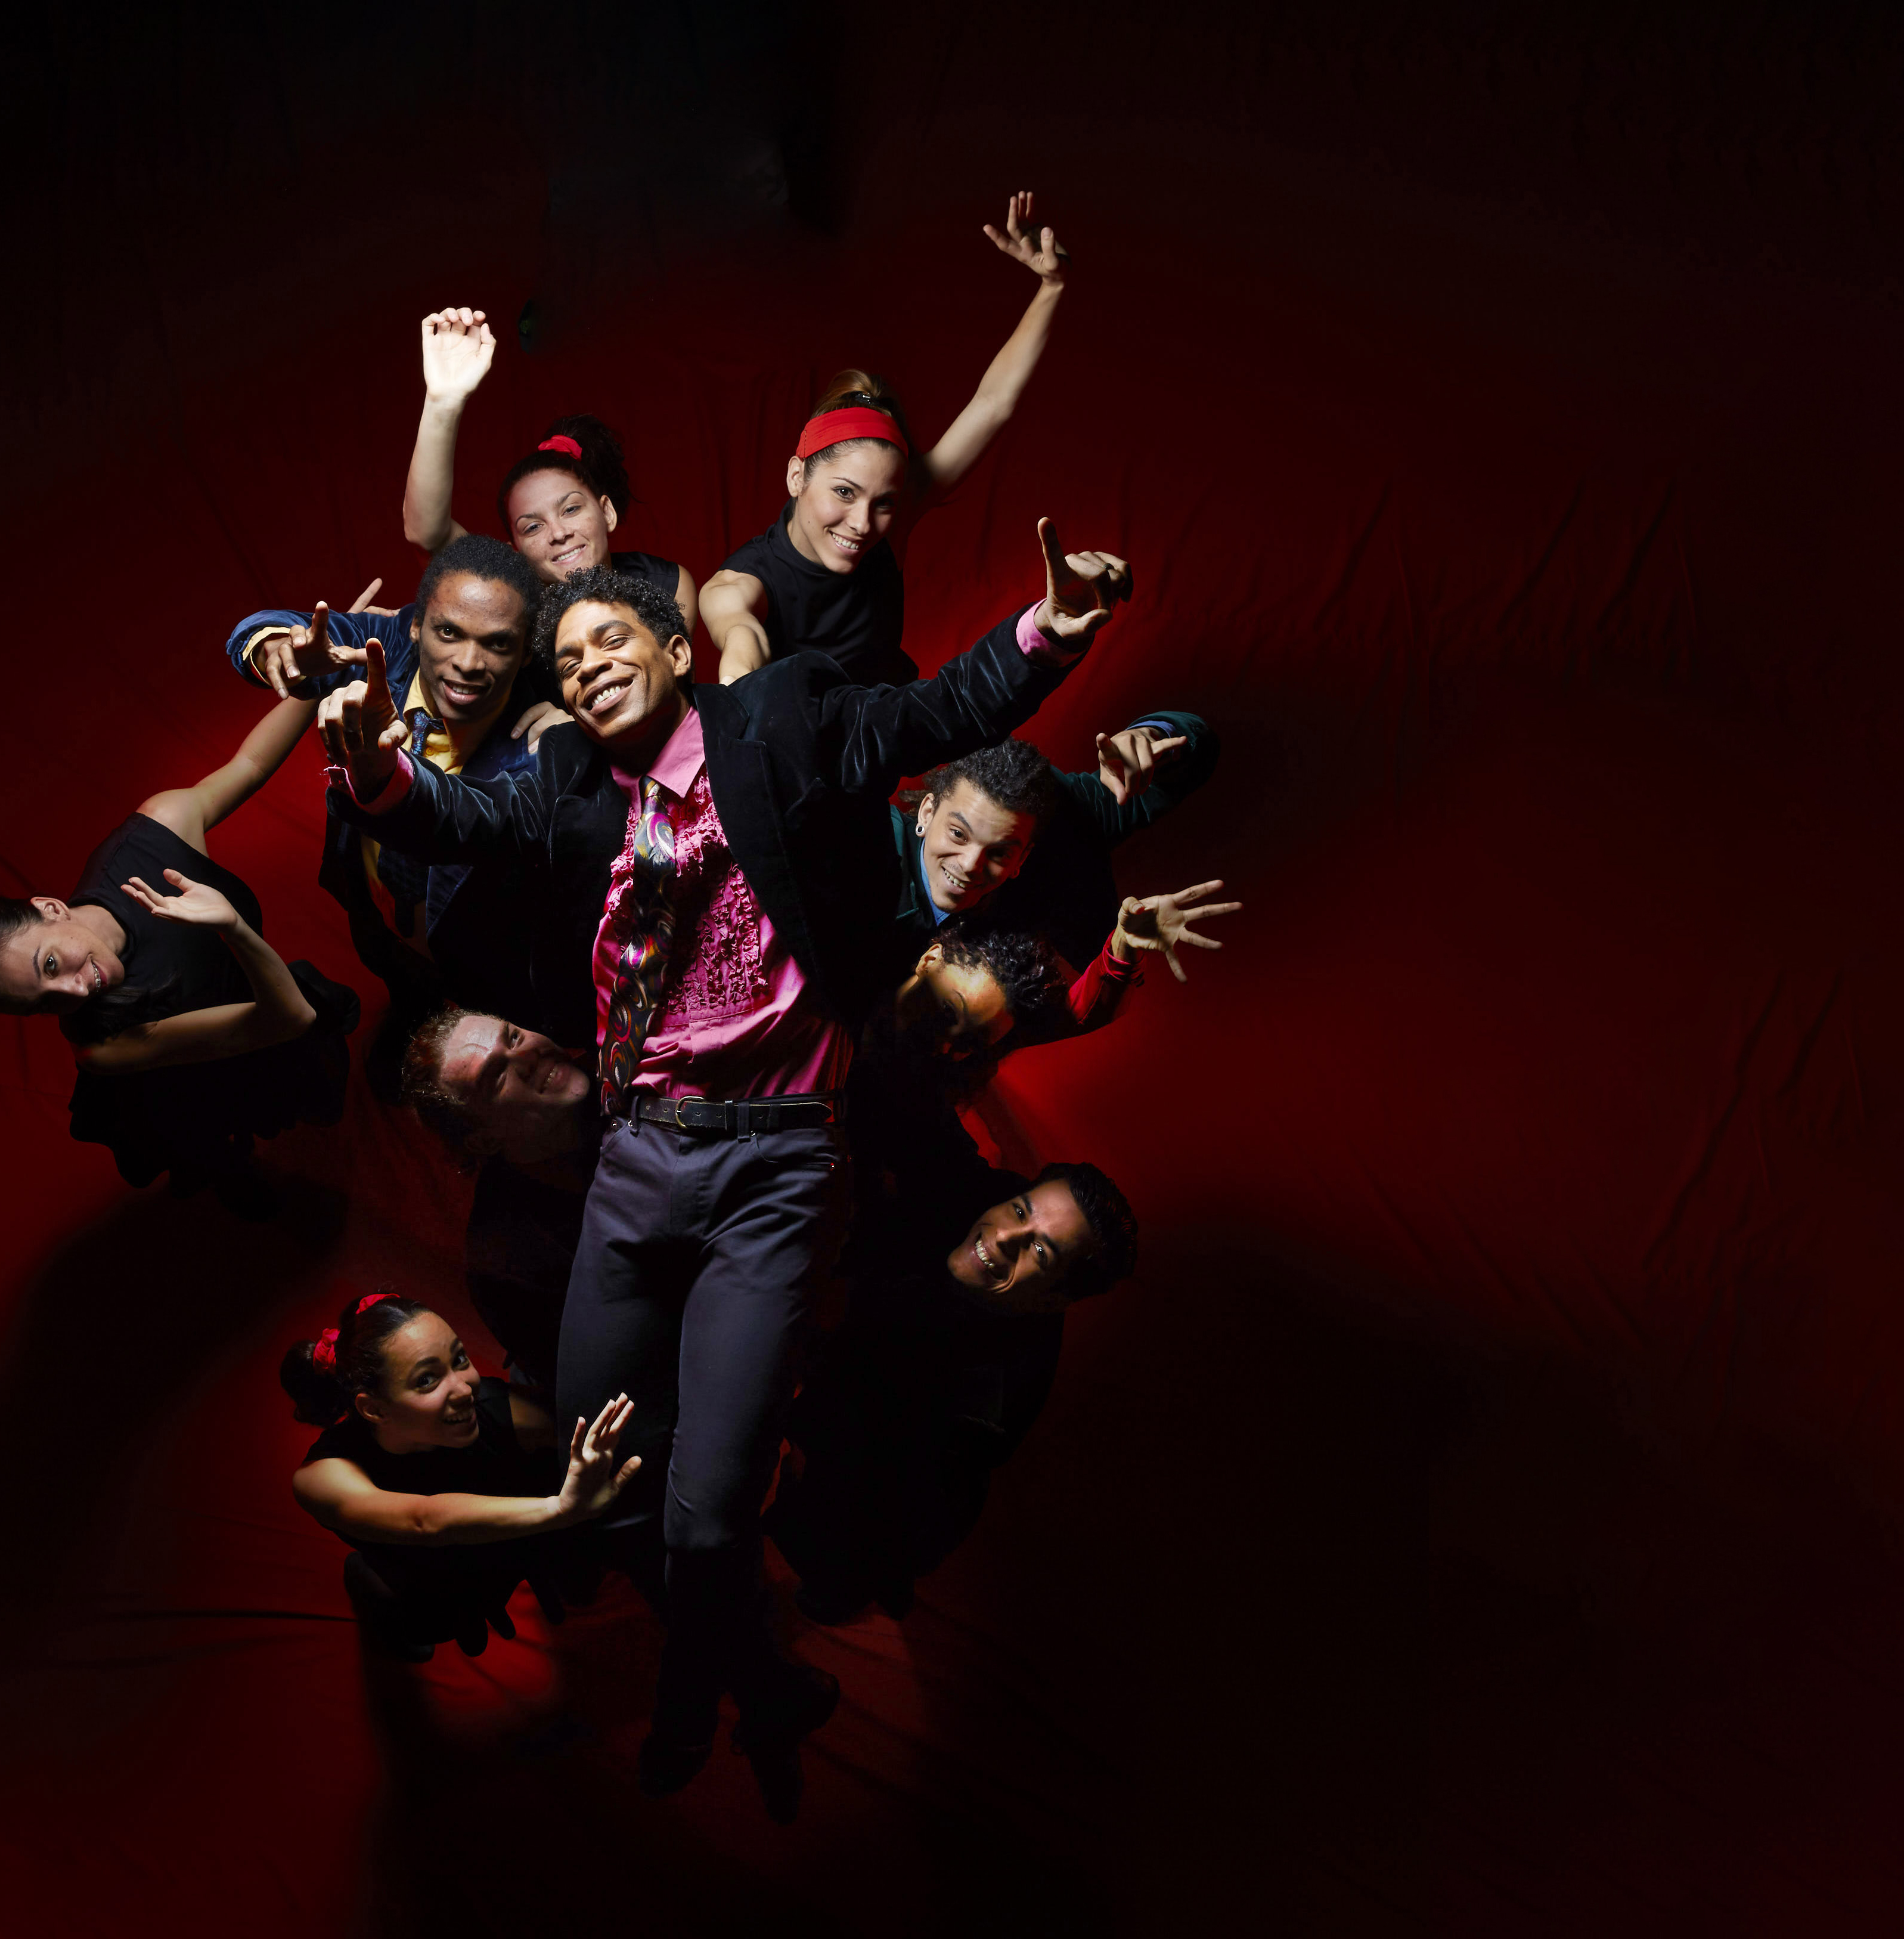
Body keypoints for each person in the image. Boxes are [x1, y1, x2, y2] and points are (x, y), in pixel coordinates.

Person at [317, 518, 1131, 1816]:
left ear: (673, 645)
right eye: (565, 656)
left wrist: (1047, 637)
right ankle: (754, 1672)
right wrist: (375, 777)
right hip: (638, 1156)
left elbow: (934, 714)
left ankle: (700, 1696)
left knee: (706, 1515)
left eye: (608, 641)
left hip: (777, 1164)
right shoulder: (569, 783)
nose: (582, 669)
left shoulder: (783, 717)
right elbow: (459, 818)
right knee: (603, 1461)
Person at [0, 642, 362, 1211]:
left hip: (252, 1000)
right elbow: (289, 1019)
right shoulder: (100, 1045)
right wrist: (236, 929)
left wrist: (323, 675)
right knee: (213, 1138)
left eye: (50, 965)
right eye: (45, 1004)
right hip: (188, 1065)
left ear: (50, 909)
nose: (75, 991)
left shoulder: (156, 831)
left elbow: (250, 766)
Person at [230, 539, 587, 1068]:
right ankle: (409, 1014)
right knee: (394, 971)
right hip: (375, 901)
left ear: (528, 651)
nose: (468, 663)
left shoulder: (542, 735)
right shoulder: (389, 645)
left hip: (480, 938)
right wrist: (275, 648)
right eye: (449, 633)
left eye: (497, 644)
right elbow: (264, 628)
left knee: (488, 1030)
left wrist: (377, 776)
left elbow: (460, 823)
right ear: (417, 624)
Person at [700, 191, 1075, 687]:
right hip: (791, 754)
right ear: (797, 475)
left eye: (884, 502)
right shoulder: (742, 583)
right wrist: (741, 690)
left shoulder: (889, 528)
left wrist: (1051, 286)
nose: (861, 524)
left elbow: (992, 403)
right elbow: (739, 634)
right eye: (844, 491)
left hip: (883, 739)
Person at [767, 1154, 1141, 1625]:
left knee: (827, 1571)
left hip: (871, 1508)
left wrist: (803, 1443)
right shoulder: (973, 1201)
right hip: (847, 1408)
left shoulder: (976, 1406)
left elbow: (892, 1511)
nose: (1003, 1237)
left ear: (1053, 1300)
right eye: (1021, 1210)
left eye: (1040, 1253)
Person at [285, 1290, 640, 1661]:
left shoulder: (501, 1410)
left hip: (511, 1547)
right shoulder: (323, 1476)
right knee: (420, 1629)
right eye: (426, 1380)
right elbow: (422, 1520)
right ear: (374, 1409)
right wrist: (562, 1509)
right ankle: (367, 1582)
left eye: (459, 1358)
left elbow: (594, 1429)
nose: (465, 1388)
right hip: (430, 1579)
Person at [398, 308, 700, 634]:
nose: (558, 534)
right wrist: (444, 401)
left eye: (570, 509)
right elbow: (427, 532)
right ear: (516, 551)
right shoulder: (510, 599)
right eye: (532, 528)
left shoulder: (667, 585)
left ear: (606, 512)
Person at [895, 714, 1224, 970]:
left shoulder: (1065, 823)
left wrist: (1150, 735)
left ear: (1023, 857)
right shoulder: (865, 844)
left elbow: (1198, 753)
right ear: (927, 812)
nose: (969, 865)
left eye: (999, 853)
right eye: (958, 834)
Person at [396, 1008, 601, 1398]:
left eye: (514, 1036)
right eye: (497, 1077)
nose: (527, 1056)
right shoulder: (505, 1263)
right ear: (482, 1141)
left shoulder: (643, 1067)